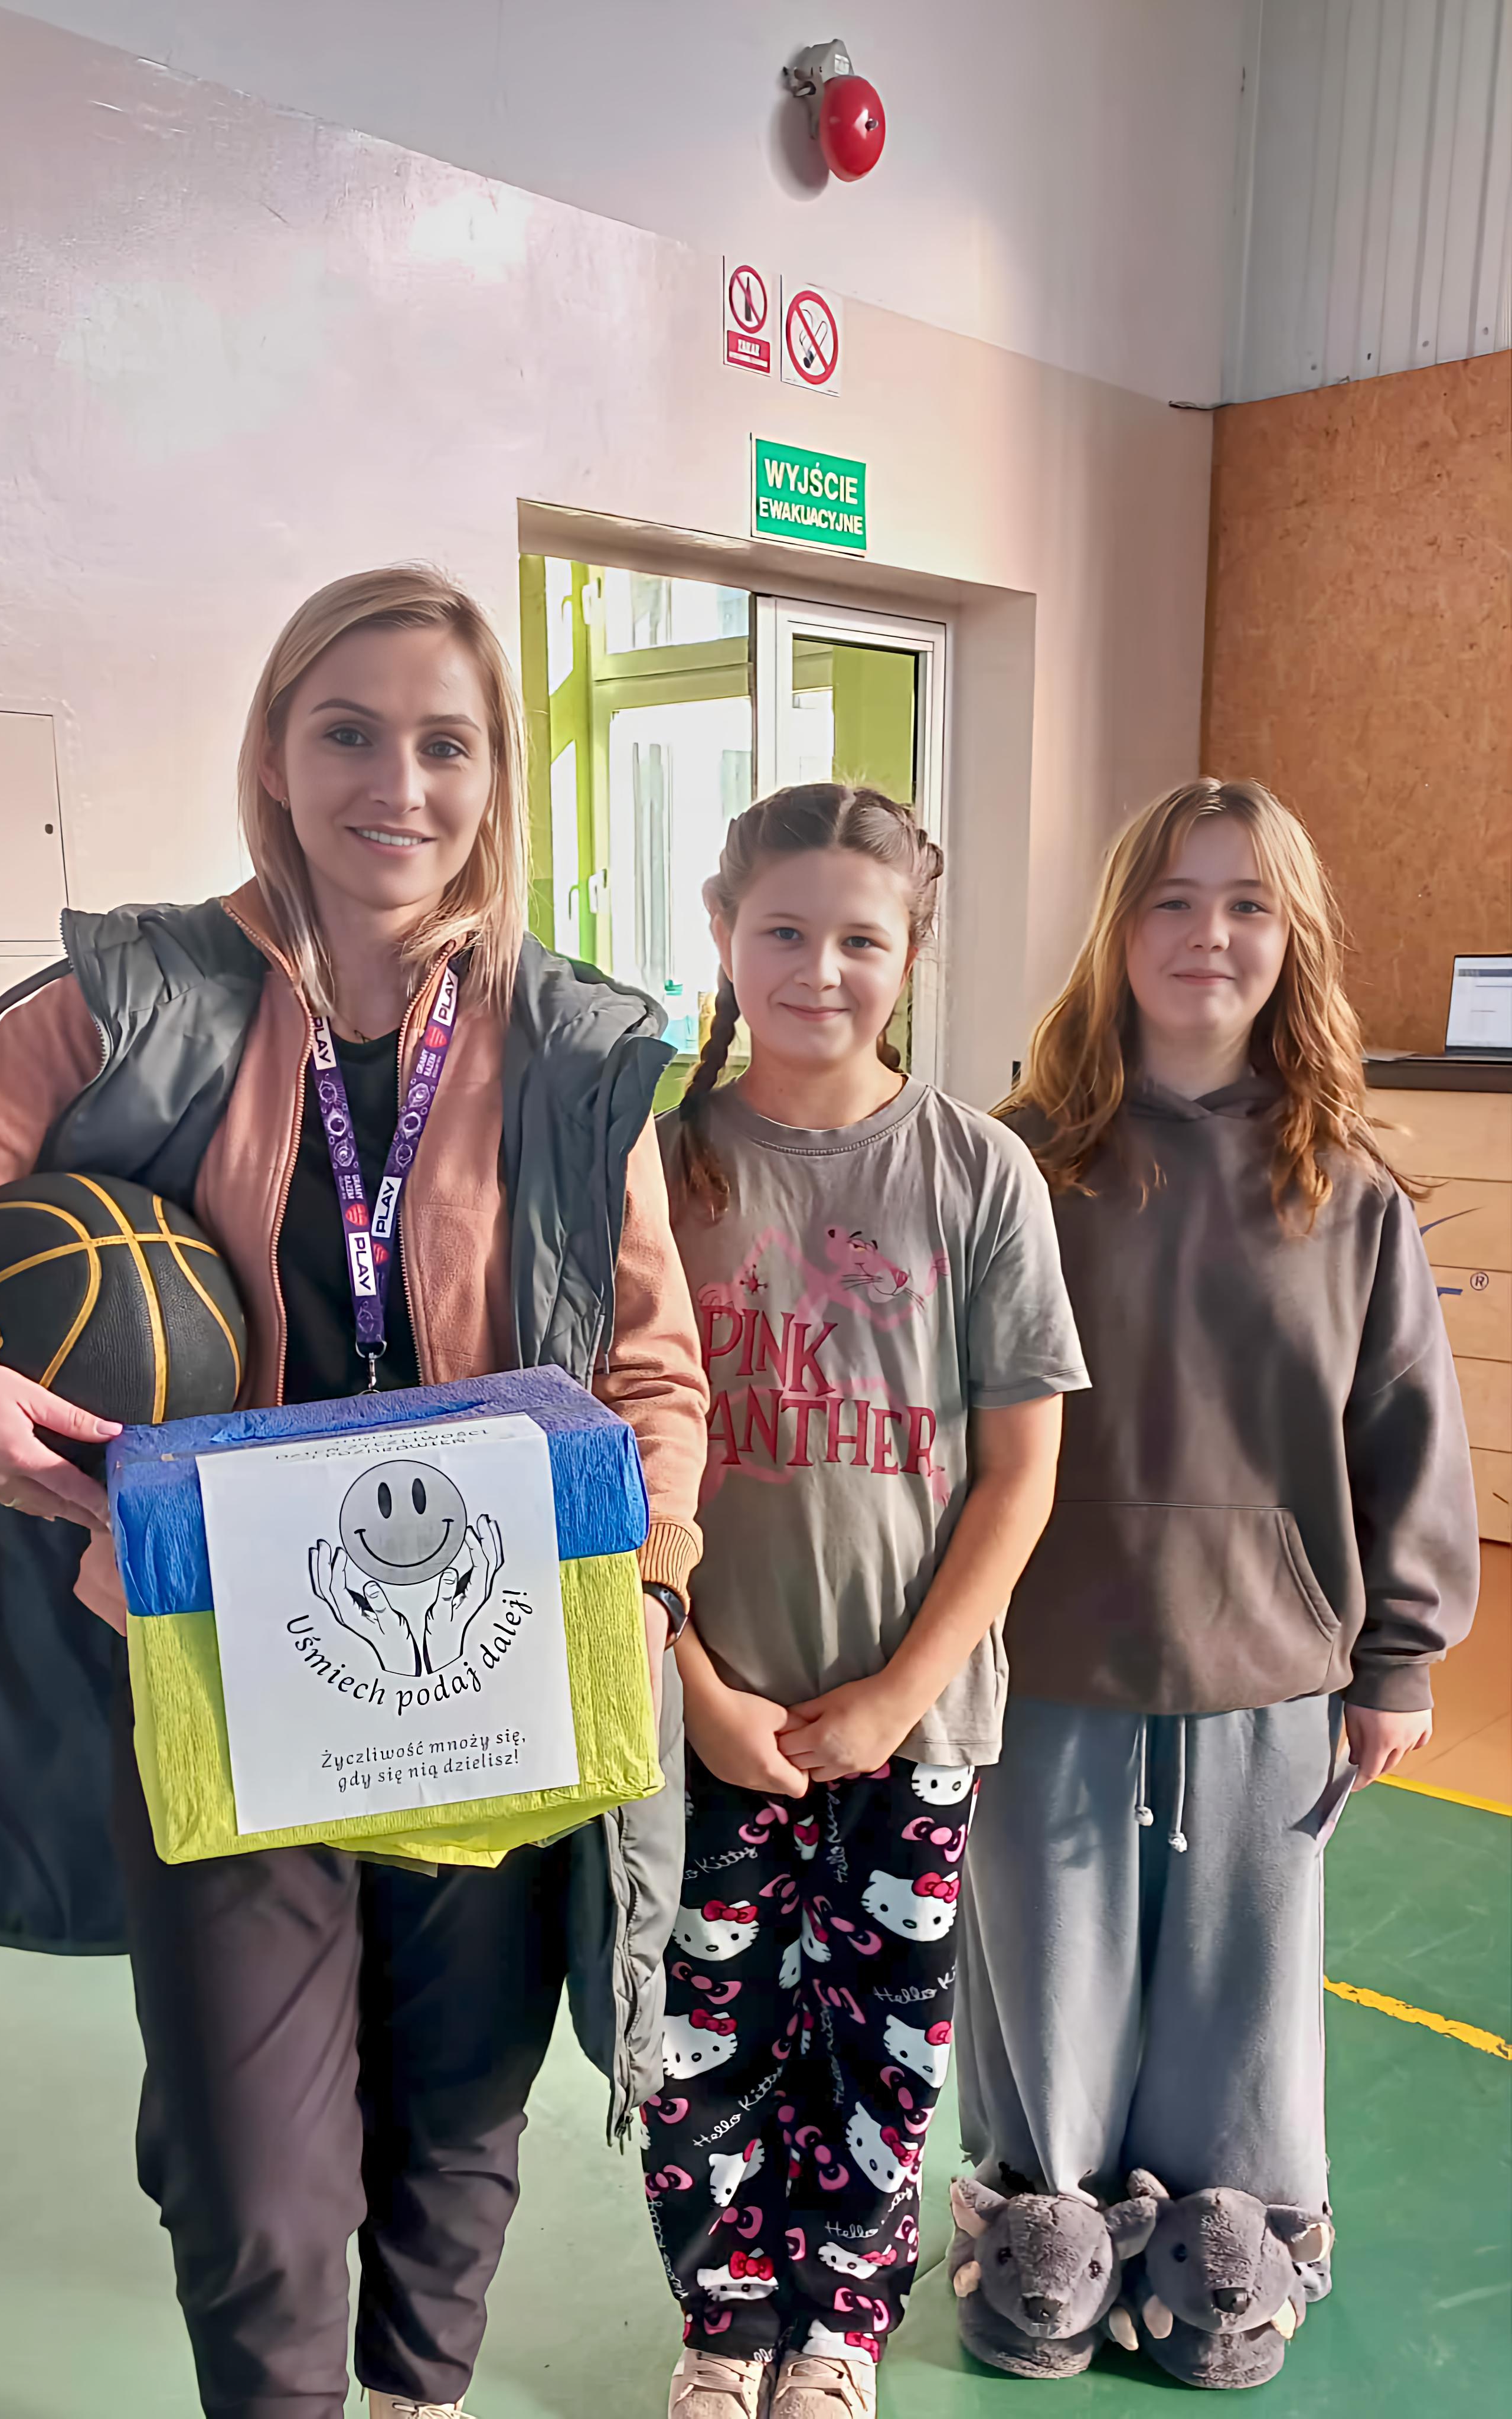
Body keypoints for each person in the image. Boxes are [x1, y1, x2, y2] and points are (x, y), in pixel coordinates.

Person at [0, 566, 710, 2419]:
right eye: (349, 733)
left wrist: (649, 1575)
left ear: (498, 772)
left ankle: (418, 2397)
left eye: (445, 744)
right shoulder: (145, 994)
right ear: (277, 755)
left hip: (488, 1656)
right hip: (224, 1666)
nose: (399, 784)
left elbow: (650, 1367)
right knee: (255, 2178)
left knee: (460, 2112)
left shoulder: (570, 1045)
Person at [955, 780, 1478, 2365]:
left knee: (1242, 1981)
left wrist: (1398, 1655)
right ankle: (1043, 2225)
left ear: (1291, 938)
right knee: (1046, 1956)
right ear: (1118, 932)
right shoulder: (1016, 1167)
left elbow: (1405, 1431)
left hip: (1271, 1666)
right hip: (1049, 1656)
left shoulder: (1348, 1191)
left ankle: (1225, 2238)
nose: (1208, 934)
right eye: (1172, 901)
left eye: (1247, 903)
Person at [641, 784, 1090, 2419]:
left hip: (917, 1723)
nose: (817, 969)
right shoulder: (658, 1166)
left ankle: (839, 2328)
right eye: (782, 930)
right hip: (703, 1713)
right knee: (702, 2038)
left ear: (912, 953)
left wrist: (901, 1694)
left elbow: (1019, 1475)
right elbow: (604, 1454)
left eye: (860, 940)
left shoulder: (979, 1173)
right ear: (722, 932)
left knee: (886, 2045)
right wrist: (697, 1687)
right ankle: (724, 2323)